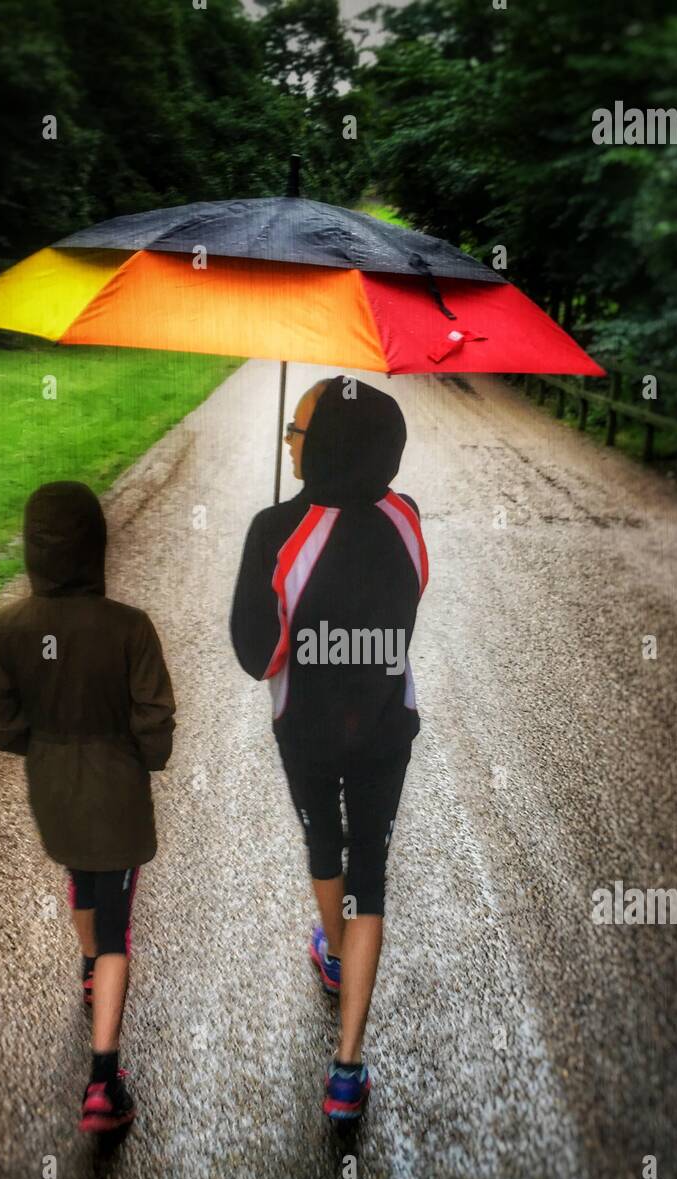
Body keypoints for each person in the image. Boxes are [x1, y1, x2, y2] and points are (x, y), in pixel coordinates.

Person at [230, 375, 427, 1121]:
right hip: (385, 721)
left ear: (329, 444)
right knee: (369, 871)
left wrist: (268, 552)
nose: (288, 439)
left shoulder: (274, 530)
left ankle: (334, 951)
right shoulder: (407, 515)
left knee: (326, 845)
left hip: (305, 728)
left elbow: (259, 654)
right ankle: (347, 1072)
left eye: (298, 429)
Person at [0, 482, 175, 1134]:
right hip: (116, 795)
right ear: (96, 546)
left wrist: (46, 745)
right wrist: (146, 754)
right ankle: (102, 1081)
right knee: (118, 921)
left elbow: (1, 725)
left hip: (54, 792)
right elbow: (155, 721)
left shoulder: (8, 628)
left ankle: (90, 970)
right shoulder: (129, 629)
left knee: (79, 880)